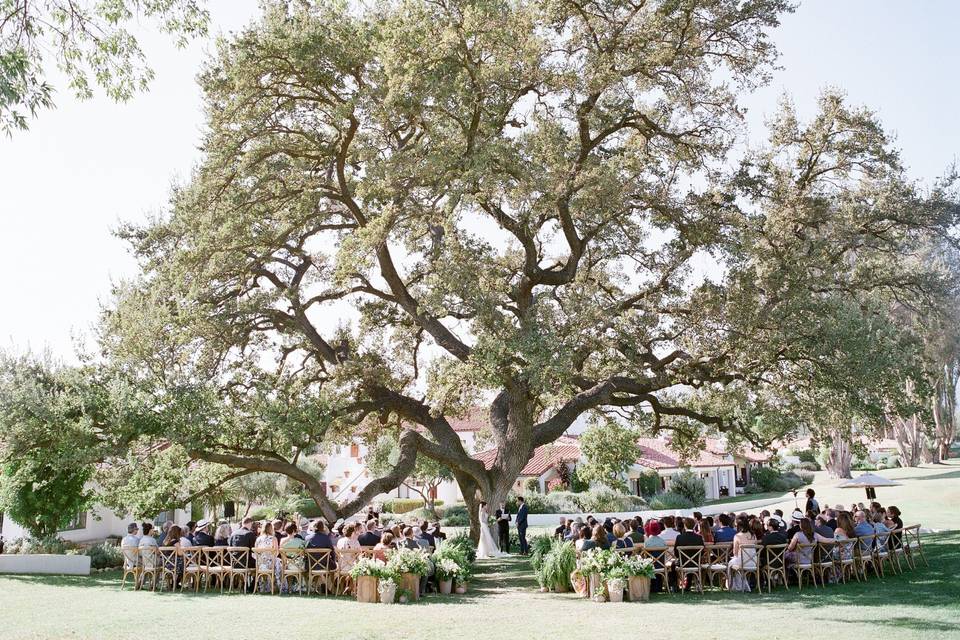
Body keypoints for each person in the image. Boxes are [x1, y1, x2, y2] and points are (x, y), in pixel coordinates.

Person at [728, 518, 758, 592]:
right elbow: (755, 548)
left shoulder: (737, 536)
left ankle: (733, 586)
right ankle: (742, 585)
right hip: (754, 562)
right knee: (735, 563)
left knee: (730, 564)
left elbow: (735, 553)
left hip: (742, 563)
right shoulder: (753, 535)